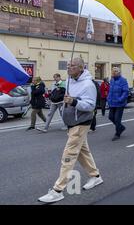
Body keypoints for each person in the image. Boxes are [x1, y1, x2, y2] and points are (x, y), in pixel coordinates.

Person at [38, 58, 102, 203]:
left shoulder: (88, 84)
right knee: (82, 152)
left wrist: (74, 101)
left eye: (72, 66)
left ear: (81, 68)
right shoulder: (69, 81)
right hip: (71, 123)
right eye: (68, 65)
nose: (69, 67)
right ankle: (95, 176)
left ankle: (57, 190)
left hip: (81, 123)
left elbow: (90, 105)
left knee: (69, 155)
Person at [107, 67, 129, 141]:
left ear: (119, 72)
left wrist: (120, 99)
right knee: (110, 117)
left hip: (119, 103)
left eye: (116, 71)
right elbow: (110, 91)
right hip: (112, 102)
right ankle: (121, 127)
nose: (114, 72)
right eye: (113, 71)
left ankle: (117, 133)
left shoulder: (123, 80)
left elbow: (125, 91)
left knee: (117, 119)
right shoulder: (112, 80)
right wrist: (108, 99)